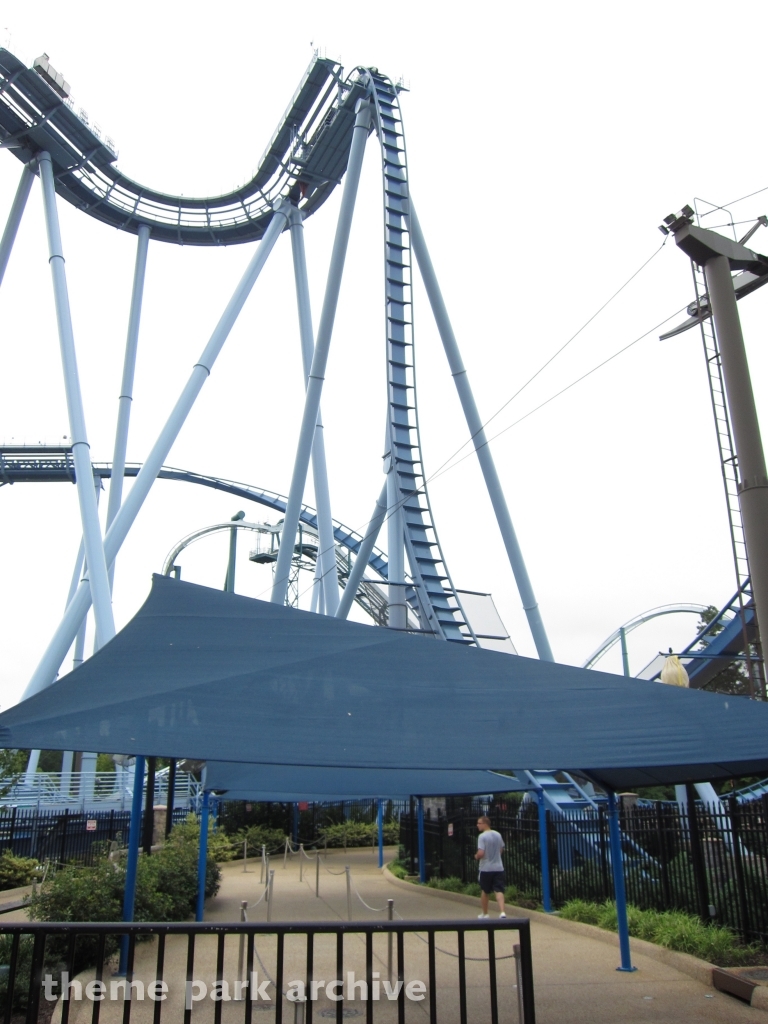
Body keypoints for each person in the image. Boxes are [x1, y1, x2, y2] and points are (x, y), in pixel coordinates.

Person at [475, 816, 506, 919]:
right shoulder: (498, 834)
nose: (477, 825)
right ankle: (502, 912)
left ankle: (485, 913)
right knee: (499, 890)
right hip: (498, 867)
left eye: (479, 823)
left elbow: (481, 852)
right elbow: (501, 849)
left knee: (485, 890)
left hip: (486, 868)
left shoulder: (482, 837)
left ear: (485, 824)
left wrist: (476, 856)